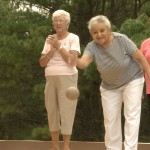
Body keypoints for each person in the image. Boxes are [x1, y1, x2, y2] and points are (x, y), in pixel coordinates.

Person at [77, 15, 150, 150]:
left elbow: (140, 58)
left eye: (102, 30)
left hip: (132, 79)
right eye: (95, 32)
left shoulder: (121, 40)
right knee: (110, 121)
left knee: (131, 116)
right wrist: (72, 58)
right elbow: (82, 63)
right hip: (109, 86)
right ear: (91, 34)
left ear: (109, 30)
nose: (99, 34)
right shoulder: (91, 47)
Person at [39, 10, 80, 150]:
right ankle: (55, 146)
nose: (57, 23)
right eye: (55, 21)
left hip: (68, 77)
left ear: (67, 23)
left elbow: (72, 61)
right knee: (52, 110)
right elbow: (42, 63)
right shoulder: (49, 39)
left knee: (67, 110)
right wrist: (51, 49)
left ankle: (66, 146)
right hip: (50, 77)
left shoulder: (73, 38)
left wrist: (59, 46)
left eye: (60, 20)